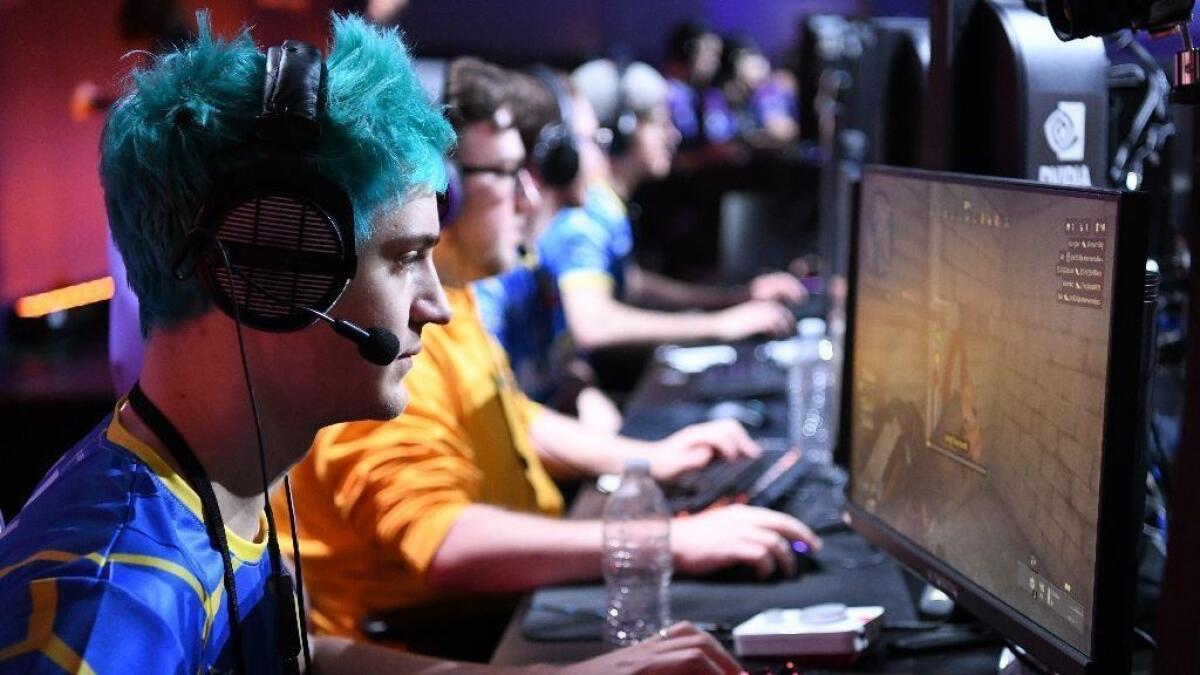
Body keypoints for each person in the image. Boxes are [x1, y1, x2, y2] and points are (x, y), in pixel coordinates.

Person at [0, 16, 739, 674]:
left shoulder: (220, 475)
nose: (439, 307)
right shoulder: (109, 611)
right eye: (406, 257)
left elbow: (290, 650)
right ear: (270, 272)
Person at [281, 56, 822, 653]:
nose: (531, 194)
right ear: (440, 191)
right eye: (510, 173)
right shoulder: (385, 339)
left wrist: (648, 456)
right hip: (455, 641)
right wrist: (663, 541)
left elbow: (508, 414)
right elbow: (441, 541)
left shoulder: (453, 306)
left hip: (505, 611)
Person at [538, 58, 805, 353]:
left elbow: (631, 283)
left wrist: (735, 298)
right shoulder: (584, 214)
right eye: (661, 122)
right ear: (621, 134)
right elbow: (594, 322)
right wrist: (720, 324)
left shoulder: (605, 207)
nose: (674, 134)